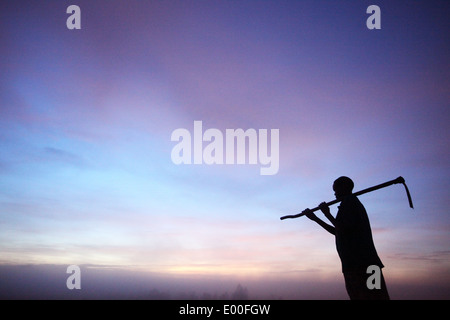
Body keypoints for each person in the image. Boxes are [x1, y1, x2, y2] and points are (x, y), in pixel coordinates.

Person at [303, 176, 390, 300]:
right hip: (361, 264)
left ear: (344, 187)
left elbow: (342, 228)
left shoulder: (350, 203)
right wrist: (315, 218)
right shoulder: (348, 204)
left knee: (370, 297)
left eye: (336, 190)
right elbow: (338, 231)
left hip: (361, 265)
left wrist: (327, 213)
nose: (334, 194)